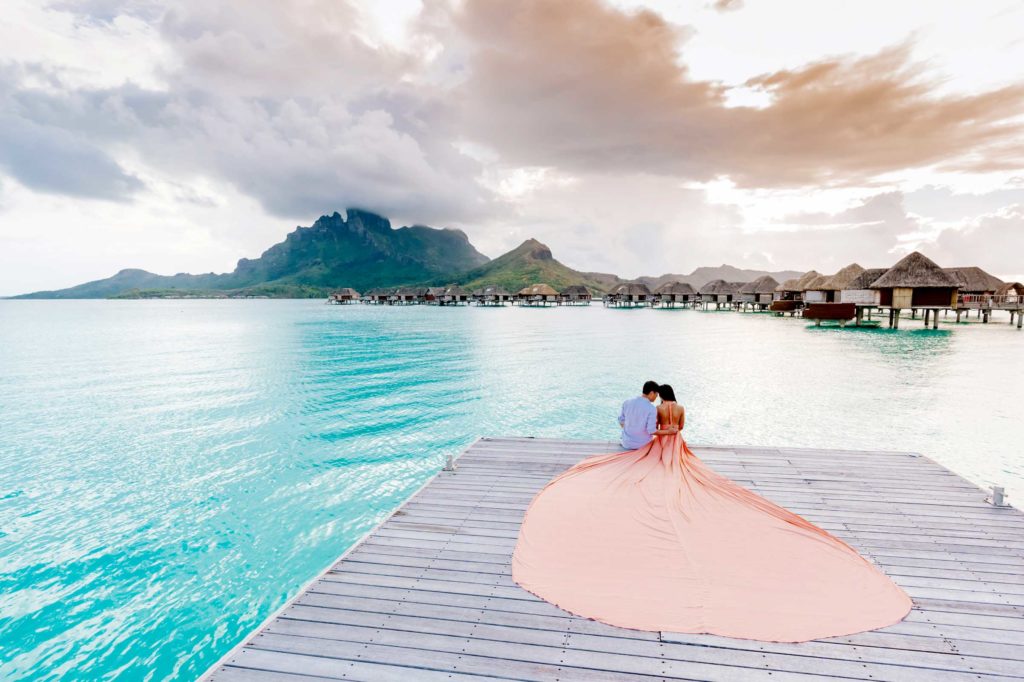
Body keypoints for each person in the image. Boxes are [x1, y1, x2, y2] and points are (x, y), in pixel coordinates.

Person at [512, 381, 912, 643]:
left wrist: (653, 434)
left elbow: (650, 428)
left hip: (650, 443)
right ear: (670, 395)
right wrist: (669, 434)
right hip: (672, 445)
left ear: (654, 394)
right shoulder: (677, 408)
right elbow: (680, 429)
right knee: (680, 474)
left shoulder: (648, 409)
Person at [617, 380, 677, 449]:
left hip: (626, 443)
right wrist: (668, 432)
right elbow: (651, 431)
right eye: (656, 395)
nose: (656, 397)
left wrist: (631, 430)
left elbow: (620, 420)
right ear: (651, 393)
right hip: (643, 445)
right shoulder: (651, 409)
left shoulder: (627, 402)